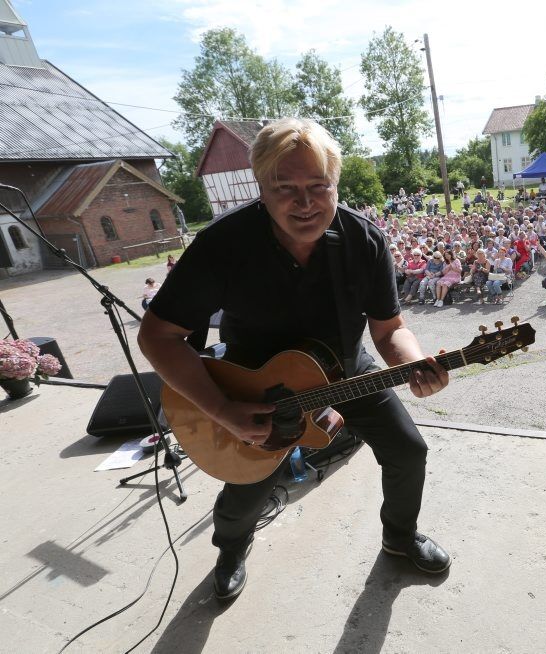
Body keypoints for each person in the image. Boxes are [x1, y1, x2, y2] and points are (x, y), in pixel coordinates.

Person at [137, 117, 451, 602]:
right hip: (255, 388)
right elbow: (158, 336)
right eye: (285, 188)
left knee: (409, 451)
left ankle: (399, 537)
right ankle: (231, 549)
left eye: (318, 186)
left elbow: (390, 330)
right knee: (250, 484)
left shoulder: (363, 241)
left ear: (336, 185)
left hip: (345, 370)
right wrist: (223, 410)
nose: (305, 203)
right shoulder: (223, 246)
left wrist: (415, 364)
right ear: (261, 188)